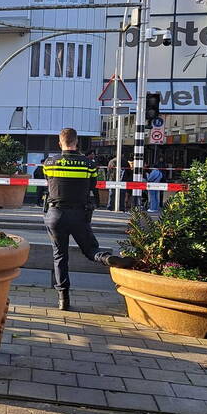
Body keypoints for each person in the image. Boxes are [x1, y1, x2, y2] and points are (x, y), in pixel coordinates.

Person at [43, 128, 134, 311]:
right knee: (90, 250)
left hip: (55, 214)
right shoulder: (88, 164)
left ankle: (63, 299)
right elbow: (93, 186)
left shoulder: (50, 162)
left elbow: (48, 181)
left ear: (60, 143)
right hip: (79, 214)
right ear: (77, 143)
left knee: (60, 256)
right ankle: (107, 259)